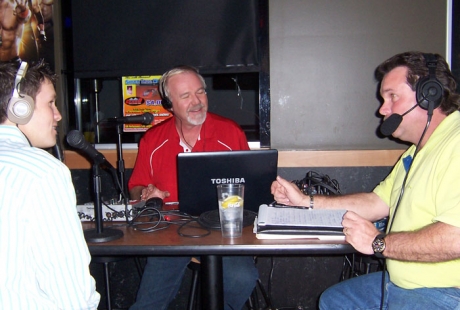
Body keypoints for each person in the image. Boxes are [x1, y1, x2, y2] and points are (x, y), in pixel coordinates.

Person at [271, 51, 460, 310]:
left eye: (392, 96)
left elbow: (456, 238)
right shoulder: (418, 151)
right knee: (335, 300)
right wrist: (306, 201)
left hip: (446, 293)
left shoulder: (456, 143)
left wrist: (379, 242)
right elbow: (376, 202)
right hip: (404, 283)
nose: (382, 109)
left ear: (429, 96)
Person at [128, 65, 258, 310]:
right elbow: (135, 188)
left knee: (242, 279)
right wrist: (146, 193)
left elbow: (249, 187)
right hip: (170, 231)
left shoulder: (230, 132)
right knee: (148, 303)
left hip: (224, 229)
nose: (197, 101)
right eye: (186, 96)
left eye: (200, 92)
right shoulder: (153, 140)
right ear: (169, 104)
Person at [0, 60, 100, 309]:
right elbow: (65, 282)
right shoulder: (42, 172)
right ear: (19, 108)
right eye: (50, 103)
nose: (58, 115)